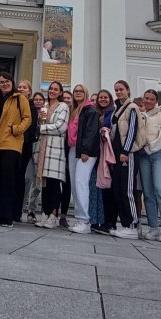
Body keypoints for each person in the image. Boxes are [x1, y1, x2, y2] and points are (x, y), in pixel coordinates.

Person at [0, 72, 31, 227]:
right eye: (1, 82)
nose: (4, 84)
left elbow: (27, 118)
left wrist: (15, 129)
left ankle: (6, 216)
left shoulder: (19, 98)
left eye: (7, 81)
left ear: (12, 82)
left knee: (8, 181)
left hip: (11, 145)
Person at [107, 79, 142, 238]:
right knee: (119, 189)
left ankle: (133, 225)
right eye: (116, 90)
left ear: (128, 90)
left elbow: (132, 130)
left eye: (121, 89)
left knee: (127, 189)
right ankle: (126, 223)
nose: (119, 92)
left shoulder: (132, 107)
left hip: (126, 153)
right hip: (116, 152)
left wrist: (126, 151)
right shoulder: (118, 109)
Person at [138, 89, 161, 243]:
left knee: (160, 189)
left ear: (156, 100)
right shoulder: (141, 115)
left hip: (158, 154)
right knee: (148, 192)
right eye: (146, 98)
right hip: (143, 156)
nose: (149, 101)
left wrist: (149, 148)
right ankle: (153, 226)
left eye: (152, 99)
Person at [34, 80, 69, 229]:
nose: (52, 91)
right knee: (44, 184)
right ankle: (45, 213)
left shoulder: (63, 106)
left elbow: (61, 127)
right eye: (51, 89)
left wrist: (42, 127)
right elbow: (40, 124)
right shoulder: (45, 106)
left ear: (61, 92)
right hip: (43, 148)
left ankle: (54, 215)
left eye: (56, 89)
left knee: (54, 183)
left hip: (55, 148)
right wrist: (39, 122)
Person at [68, 84, 100, 234]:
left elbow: (91, 132)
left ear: (86, 93)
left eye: (81, 91)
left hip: (85, 151)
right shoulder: (75, 110)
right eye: (76, 91)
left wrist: (85, 151)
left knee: (81, 183)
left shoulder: (90, 109)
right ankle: (80, 217)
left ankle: (84, 220)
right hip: (74, 148)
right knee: (75, 184)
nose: (78, 93)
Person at [92, 88, 115, 233]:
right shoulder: (97, 113)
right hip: (99, 153)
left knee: (110, 187)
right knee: (101, 186)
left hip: (111, 153)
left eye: (105, 97)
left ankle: (110, 221)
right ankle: (102, 220)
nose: (103, 99)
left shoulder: (113, 113)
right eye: (100, 98)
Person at [14, 79, 37, 222]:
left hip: (24, 146)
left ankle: (17, 211)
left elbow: (30, 129)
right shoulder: (14, 103)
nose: (21, 89)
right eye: (20, 87)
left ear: (29, 91)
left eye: (24, 87)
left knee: (20, 178)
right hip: (11, 145)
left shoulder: (32, 107)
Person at [24, 91, 45, 223]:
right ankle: (22, 207)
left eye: (40, 99)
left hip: (40, 147)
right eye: (35, 99)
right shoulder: (30, 110)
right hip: (29, 146)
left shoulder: (46, 112)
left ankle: (32, 210)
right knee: (27, 178)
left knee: (38, 182)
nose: (37, 101)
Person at [59, 89, 74, 228]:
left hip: (69, 153)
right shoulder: (59, 112)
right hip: (57, 151)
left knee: (67, 185)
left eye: (69, 98)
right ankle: (52, 212)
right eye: (64, 98)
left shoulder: (74, 115)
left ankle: (63, 215)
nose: (67, 100)